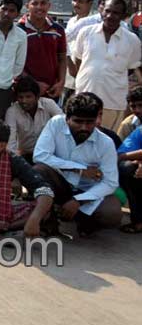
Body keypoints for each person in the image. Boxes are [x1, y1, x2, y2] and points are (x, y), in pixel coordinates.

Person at [32, 92, 123, 236]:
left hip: (86, 193)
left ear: (96, 120)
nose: (84, 127)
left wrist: (78, 201)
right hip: (61, 185)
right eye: (78, 121)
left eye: (89, 122)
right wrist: (79, 169)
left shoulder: (105, 143)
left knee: (111, 213)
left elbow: (110, 183)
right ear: (67, 118)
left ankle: (83, 220)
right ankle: (49, 218)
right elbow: (40, 156)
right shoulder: (56, 123)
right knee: (39, 171)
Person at [72, 0, 142, 130]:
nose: (110, 16)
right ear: (102, 11)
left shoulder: (132, 40)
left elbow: (131, 68)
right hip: (85, 97)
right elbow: (78, 60)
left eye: (115, 13)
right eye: (107, 11)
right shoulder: (86, 32)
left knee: (108, 141)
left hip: (113, 101)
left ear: (123, 16)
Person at [18, 0, 67, 100]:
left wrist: (61, 82)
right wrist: (34, 84)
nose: (39, 7)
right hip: (25, 91)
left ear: (49, 5)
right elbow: (13, 62)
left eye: (43, 3)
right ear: (27, 6)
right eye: (35, 3)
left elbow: (62, 58)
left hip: (51, 90)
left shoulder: (58, 30)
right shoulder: (19, 30)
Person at [5, 74, 62, 162]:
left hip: (50, 153)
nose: (24, 101)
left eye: (28, 97)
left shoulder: (49, 104)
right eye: (21, 97)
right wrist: (14, 162)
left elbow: (63, 125)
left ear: (37, 97)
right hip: (25, 155)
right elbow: (10, 143)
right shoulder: (12, 112)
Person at [63, 0, 97, 104]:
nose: (76, 4)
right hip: (67, 77)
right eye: (74, 0)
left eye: (80, 2)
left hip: (82, 76)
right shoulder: (72, 21)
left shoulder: (93, 24)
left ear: (90, 3)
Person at [116, 125, 142, 233]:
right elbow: (122, 154)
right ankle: (138, 221)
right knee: (128, 169)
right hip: (130, 166)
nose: (137, 110)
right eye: (134, 106)